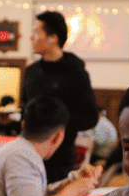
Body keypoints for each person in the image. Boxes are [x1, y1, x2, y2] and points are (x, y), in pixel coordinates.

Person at [21, 11, 98, 183]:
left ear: (53, 38)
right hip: (27, 155)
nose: (31, 38)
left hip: (59, 158)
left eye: (37, 32)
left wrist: (55, 121)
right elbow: (25, 107)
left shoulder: (75, 72)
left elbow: (90, 117)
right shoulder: (31, 72)